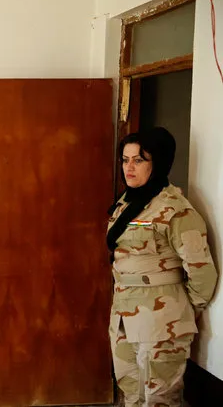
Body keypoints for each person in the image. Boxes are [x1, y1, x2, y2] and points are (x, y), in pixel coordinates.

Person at [106, 127, 218, 407]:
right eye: (125, 159)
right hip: (124, 317)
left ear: (159, 162)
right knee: (130, 393)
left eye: (139, 160)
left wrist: (182, 310)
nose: (129, 167)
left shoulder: (175, 209)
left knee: (160, 400)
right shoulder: (126, 203)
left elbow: (202, 271)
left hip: (161, 323)